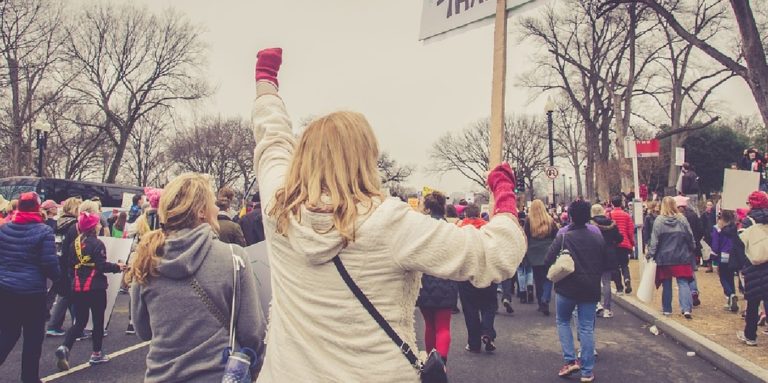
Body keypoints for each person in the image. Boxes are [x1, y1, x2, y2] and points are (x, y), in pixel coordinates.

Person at [250, 48, 525, 382]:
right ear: (366, 158)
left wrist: (266, 84)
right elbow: (495, 255)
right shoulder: (389, 223)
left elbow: (272, 139)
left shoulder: (278, 209)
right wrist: (504, 192)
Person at [128, 173, 266, 382]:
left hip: (161, 375)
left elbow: (144, 331)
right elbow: (252, 333)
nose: (217, 209)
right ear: (201, 212)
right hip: (216, 376)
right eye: (212, 203)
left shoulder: (146, 259)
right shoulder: (233, 257)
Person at [55, 204, 126, 370]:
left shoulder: (75, 243)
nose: (100, 224)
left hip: (78, 287)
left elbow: (70, 264)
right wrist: (118, 267)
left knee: (79, 322)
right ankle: (96, 353)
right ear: (94, 227)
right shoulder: (98, 244)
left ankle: (65, 346)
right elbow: (101, 266)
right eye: (98, 223)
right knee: (98, 321)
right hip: (96, 288)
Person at [544, 200, 607, 383]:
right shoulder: (597, 236)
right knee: (586, 327)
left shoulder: (564, 236)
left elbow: (548, 258)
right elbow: (605, 262)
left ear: (570, 216)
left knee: (563, 321)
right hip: (590, 287)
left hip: (567, 287)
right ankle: (587, 371)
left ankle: (570, 360)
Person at [0, 192, 59, 383]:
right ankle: (29, 377)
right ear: (37, 208)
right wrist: (61, 281)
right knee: (33, 337)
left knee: (8, 332)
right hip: (32, 291)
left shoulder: (5, 229)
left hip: (6, 288)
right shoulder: (43, 232)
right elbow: (49, 264)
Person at [415, 192, 457, 365]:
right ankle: (441, 364)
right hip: (446, 279)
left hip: (424, 280)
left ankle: (431, 363)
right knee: (443, 327)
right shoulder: (450, 229)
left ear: (427, 207)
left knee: (429, 326)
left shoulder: (420, 228)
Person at [456, 204, 503, 354]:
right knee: (489, 305)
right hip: (487, 271)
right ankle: (487, 332)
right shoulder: (488, 229)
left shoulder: (460, 229)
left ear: (465, 214)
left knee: (470, 309)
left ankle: (474, 343)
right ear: (479, 214)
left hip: (467, 274)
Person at [647, 197, 696, 319]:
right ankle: (686, 309)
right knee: (683, 282)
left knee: (667, 284)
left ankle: (667, 309)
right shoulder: (682, 219)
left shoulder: (659, 221)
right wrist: (692, 247)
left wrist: (650, 254)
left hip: (665, 257)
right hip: (681, 255)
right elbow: (690, 235)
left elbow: (654, 240)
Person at [46, 197, 82, 337]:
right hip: (68, 263)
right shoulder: (74, 225)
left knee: (65, 294)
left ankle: (73, 325)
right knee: (66, 295)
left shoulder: (58, 223)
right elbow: (73, 246)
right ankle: (56, 325)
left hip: (57, 260)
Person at [738, 191, 768, 346]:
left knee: (753, 303)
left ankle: (750, 336)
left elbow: (740, 244)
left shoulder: (748, 221)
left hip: (753, 265)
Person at [519, 199, 558, 316]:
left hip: (534, 253)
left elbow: (526, 236)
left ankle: (541, 303)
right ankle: (545, 298)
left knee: (538, 279)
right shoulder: (550, 221)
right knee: (548, 278)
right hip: (548, 252)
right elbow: (556, 236)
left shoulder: (529, 221)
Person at [591, 204, 623, 318]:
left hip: (595, 254)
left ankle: (597, 305)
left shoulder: (591, 225)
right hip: (609, 253)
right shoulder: (611, 223)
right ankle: (607, 308)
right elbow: (619, 238)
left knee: (595, 281)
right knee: (606, 282)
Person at [675, 195, 704, 306]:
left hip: (680, 247)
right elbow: (700, 229)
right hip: (692, 246)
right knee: (691, 269)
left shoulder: (677, 218)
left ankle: (688, 295)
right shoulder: (693, 215)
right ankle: (694, 291)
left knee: (682, 274)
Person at [710, 210, 741, 312]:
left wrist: (713, 255)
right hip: (733, 254)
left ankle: (730, 294)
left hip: (722, 254)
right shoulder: (734, 228)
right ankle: (731, 297)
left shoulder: (718, 229)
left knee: (723, 275)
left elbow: (715, 243)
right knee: (730, 275)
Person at [608, 195, 635, 294]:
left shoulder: (609, 215)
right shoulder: (626, 215)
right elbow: (630, 230)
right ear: (621, 203)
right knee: (624, 264)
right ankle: (627, 279)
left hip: (613, 244)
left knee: (615, 267)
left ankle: (619, 287)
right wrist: (632, 242)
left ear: (612, 204)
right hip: (625, 243)